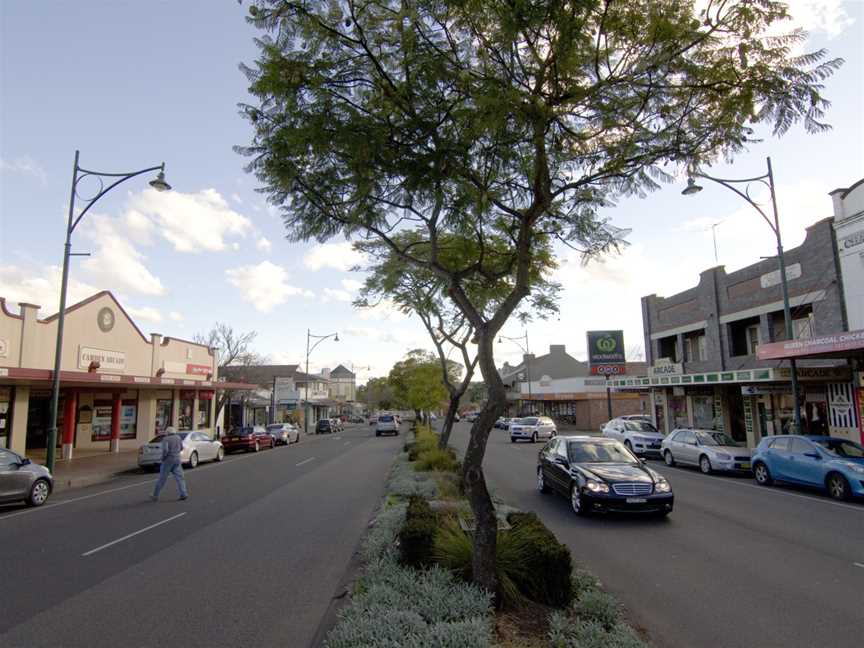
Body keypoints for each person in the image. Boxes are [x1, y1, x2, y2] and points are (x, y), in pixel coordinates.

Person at [151, 426, 188, 501]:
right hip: (177, 459)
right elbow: (181, 448)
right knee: (180, 478)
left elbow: (165, 450)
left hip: (168, 460)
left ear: (167, 432)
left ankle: (155, 495)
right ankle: (183, 493)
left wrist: (163, 458)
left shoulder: (166, 439)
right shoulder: (178, 437)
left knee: (162, 478)